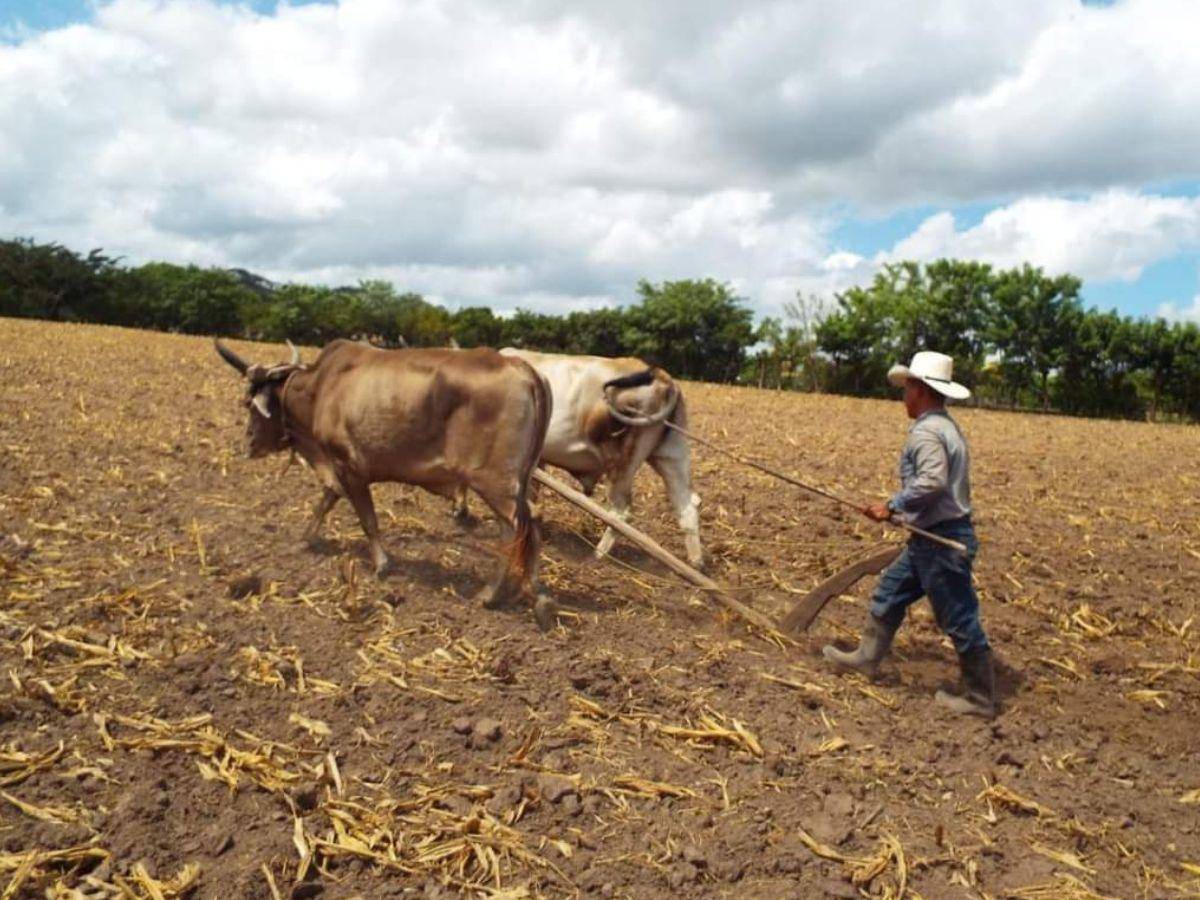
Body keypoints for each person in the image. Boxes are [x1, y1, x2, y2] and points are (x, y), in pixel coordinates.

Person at [823, 351, 997, 718]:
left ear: (920, 390)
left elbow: (932, 481)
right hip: (929, 538)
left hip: (941, 542)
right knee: (890, 592)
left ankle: (981, 698)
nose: (904, 396)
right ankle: (866, 660)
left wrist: (892, 505)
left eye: (907, 388)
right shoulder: (945, 427)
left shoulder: (928, 433)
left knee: (958, 617)